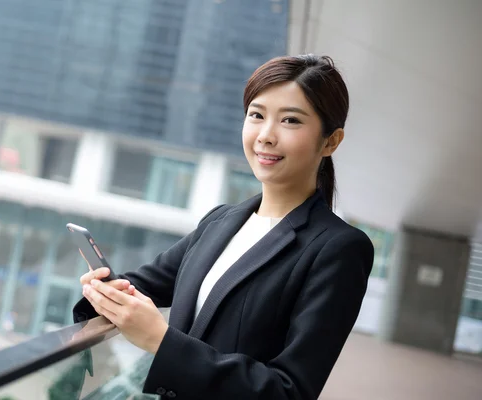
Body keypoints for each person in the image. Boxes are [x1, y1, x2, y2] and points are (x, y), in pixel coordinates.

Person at [73, 54, 374, 400]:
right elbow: (137, 286)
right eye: (256, 115)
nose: (266, 135)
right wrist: (102, 289)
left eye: (290, 120)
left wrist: (161, 340)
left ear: (331, 141)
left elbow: (290, 392)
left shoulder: (338, 249)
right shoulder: (220, 221)